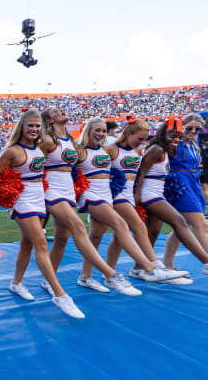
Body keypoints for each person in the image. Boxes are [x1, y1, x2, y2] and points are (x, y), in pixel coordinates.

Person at [24, 108, 141, 297]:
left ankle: (49, 279)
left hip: (69, 191)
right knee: (78, 226)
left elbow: (84, 163)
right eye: (55, 111)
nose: (60, 110)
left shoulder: (70, 141)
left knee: (62, 238)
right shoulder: (47, 140)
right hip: (52, 191)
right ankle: (110, 274)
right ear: (51, 120)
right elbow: (31, 161)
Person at [75, 118, 184, 284]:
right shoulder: (110, 149)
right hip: (114, 194)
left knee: (105, 237)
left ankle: (95, 276)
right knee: (138, 226)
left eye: (144, 139)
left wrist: (138, 193)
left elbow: (141, 174)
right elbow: (95, 168)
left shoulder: (139, 151)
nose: (142, 142)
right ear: (128, 133)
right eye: (139, 139)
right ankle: (155, 266)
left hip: (129, 196)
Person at [0, 109, 84, 319]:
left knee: (27, 243)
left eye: (37, 126)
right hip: (23, 199)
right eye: (30, 126)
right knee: (41, 243)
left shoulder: (40, 148)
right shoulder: (12, 151)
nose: (34, 129)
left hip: (39, 196)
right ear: (22, 127)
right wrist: (9, 194)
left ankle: (16, 283)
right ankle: (60, 295)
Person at [134, 120, 208, 275]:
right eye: (173, 136)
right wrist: (137, 195)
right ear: (163, 134)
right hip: (153, 194)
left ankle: (139, 268)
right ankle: (206, 261)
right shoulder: (157, 149)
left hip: (161, 192)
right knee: (181, 222)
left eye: (178, 137)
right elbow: (141, 172)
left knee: (152, 233)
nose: (177, 140)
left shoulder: (169, 150)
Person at [161, 114, 208, 271]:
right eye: (189, 128)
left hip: (193, 184)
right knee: (202, 225)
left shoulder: (193, 145)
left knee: (181, 226)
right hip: (180, 185)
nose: (193, 131)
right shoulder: (174, 143)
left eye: (197, 128)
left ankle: (167, 264)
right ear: (182, 128)